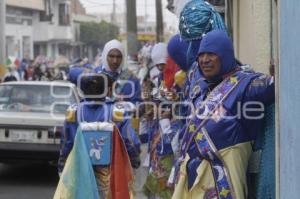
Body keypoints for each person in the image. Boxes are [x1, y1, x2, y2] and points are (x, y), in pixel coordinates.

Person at [172, 30, 274, 199]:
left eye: (211, 54)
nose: (204, 60)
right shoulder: (200, 89)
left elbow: (272, 86)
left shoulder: (245, 86)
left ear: (225, 54)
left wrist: (279, 72)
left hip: (223, 187)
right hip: (193, 184)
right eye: (201, 55)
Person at [57, 72, 141, 199]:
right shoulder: (117, 112)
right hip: (111, 173)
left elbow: (66, 143)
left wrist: (62, 166)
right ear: (106, 91)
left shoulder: (73, 111)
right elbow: (130, 142)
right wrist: (134, 162)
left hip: (80, 171)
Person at [94, 39, 142, 104]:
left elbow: (138, 105)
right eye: (111, 56)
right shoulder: (94, 75)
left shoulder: (132, 79)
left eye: (118, 57)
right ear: (105, 56)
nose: (115, 61)